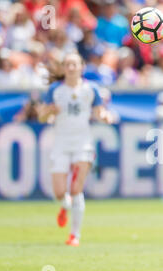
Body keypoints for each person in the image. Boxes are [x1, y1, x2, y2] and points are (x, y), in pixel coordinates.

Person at [39, 52, 113, 247]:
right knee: (59, 192)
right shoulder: (55, 90)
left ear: (82, 66)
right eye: (67, 64)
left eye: (74, 64)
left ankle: (75, 235)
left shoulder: (91, 89)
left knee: (75, 189)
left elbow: (99, 112)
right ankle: (64, 205)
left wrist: (105, 116)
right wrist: (48, 112)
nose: (71, 68)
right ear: (64, 68)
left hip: (83, 144)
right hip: (61, 144)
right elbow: (41, 117)